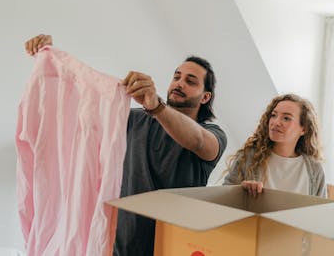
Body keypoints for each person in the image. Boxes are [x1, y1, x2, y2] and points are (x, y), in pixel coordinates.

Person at [24, 34, 227, 256]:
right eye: (176, 76)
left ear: (205, 97)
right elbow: (78, 116)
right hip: (122, 245)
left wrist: (156, 106)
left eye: (190, 81)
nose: (179, 83)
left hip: (175, 247)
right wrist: (52, 62)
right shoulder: (133, 119)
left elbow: (198, 140)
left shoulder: (213, 133)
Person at [223, 93, 326, 198]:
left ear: (304, 129)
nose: (276, 122)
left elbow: (321, 211)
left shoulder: (315, 170)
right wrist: (241, 191)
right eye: (274, 115)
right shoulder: (249, 157)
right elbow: (224, 196)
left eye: (286, 118)